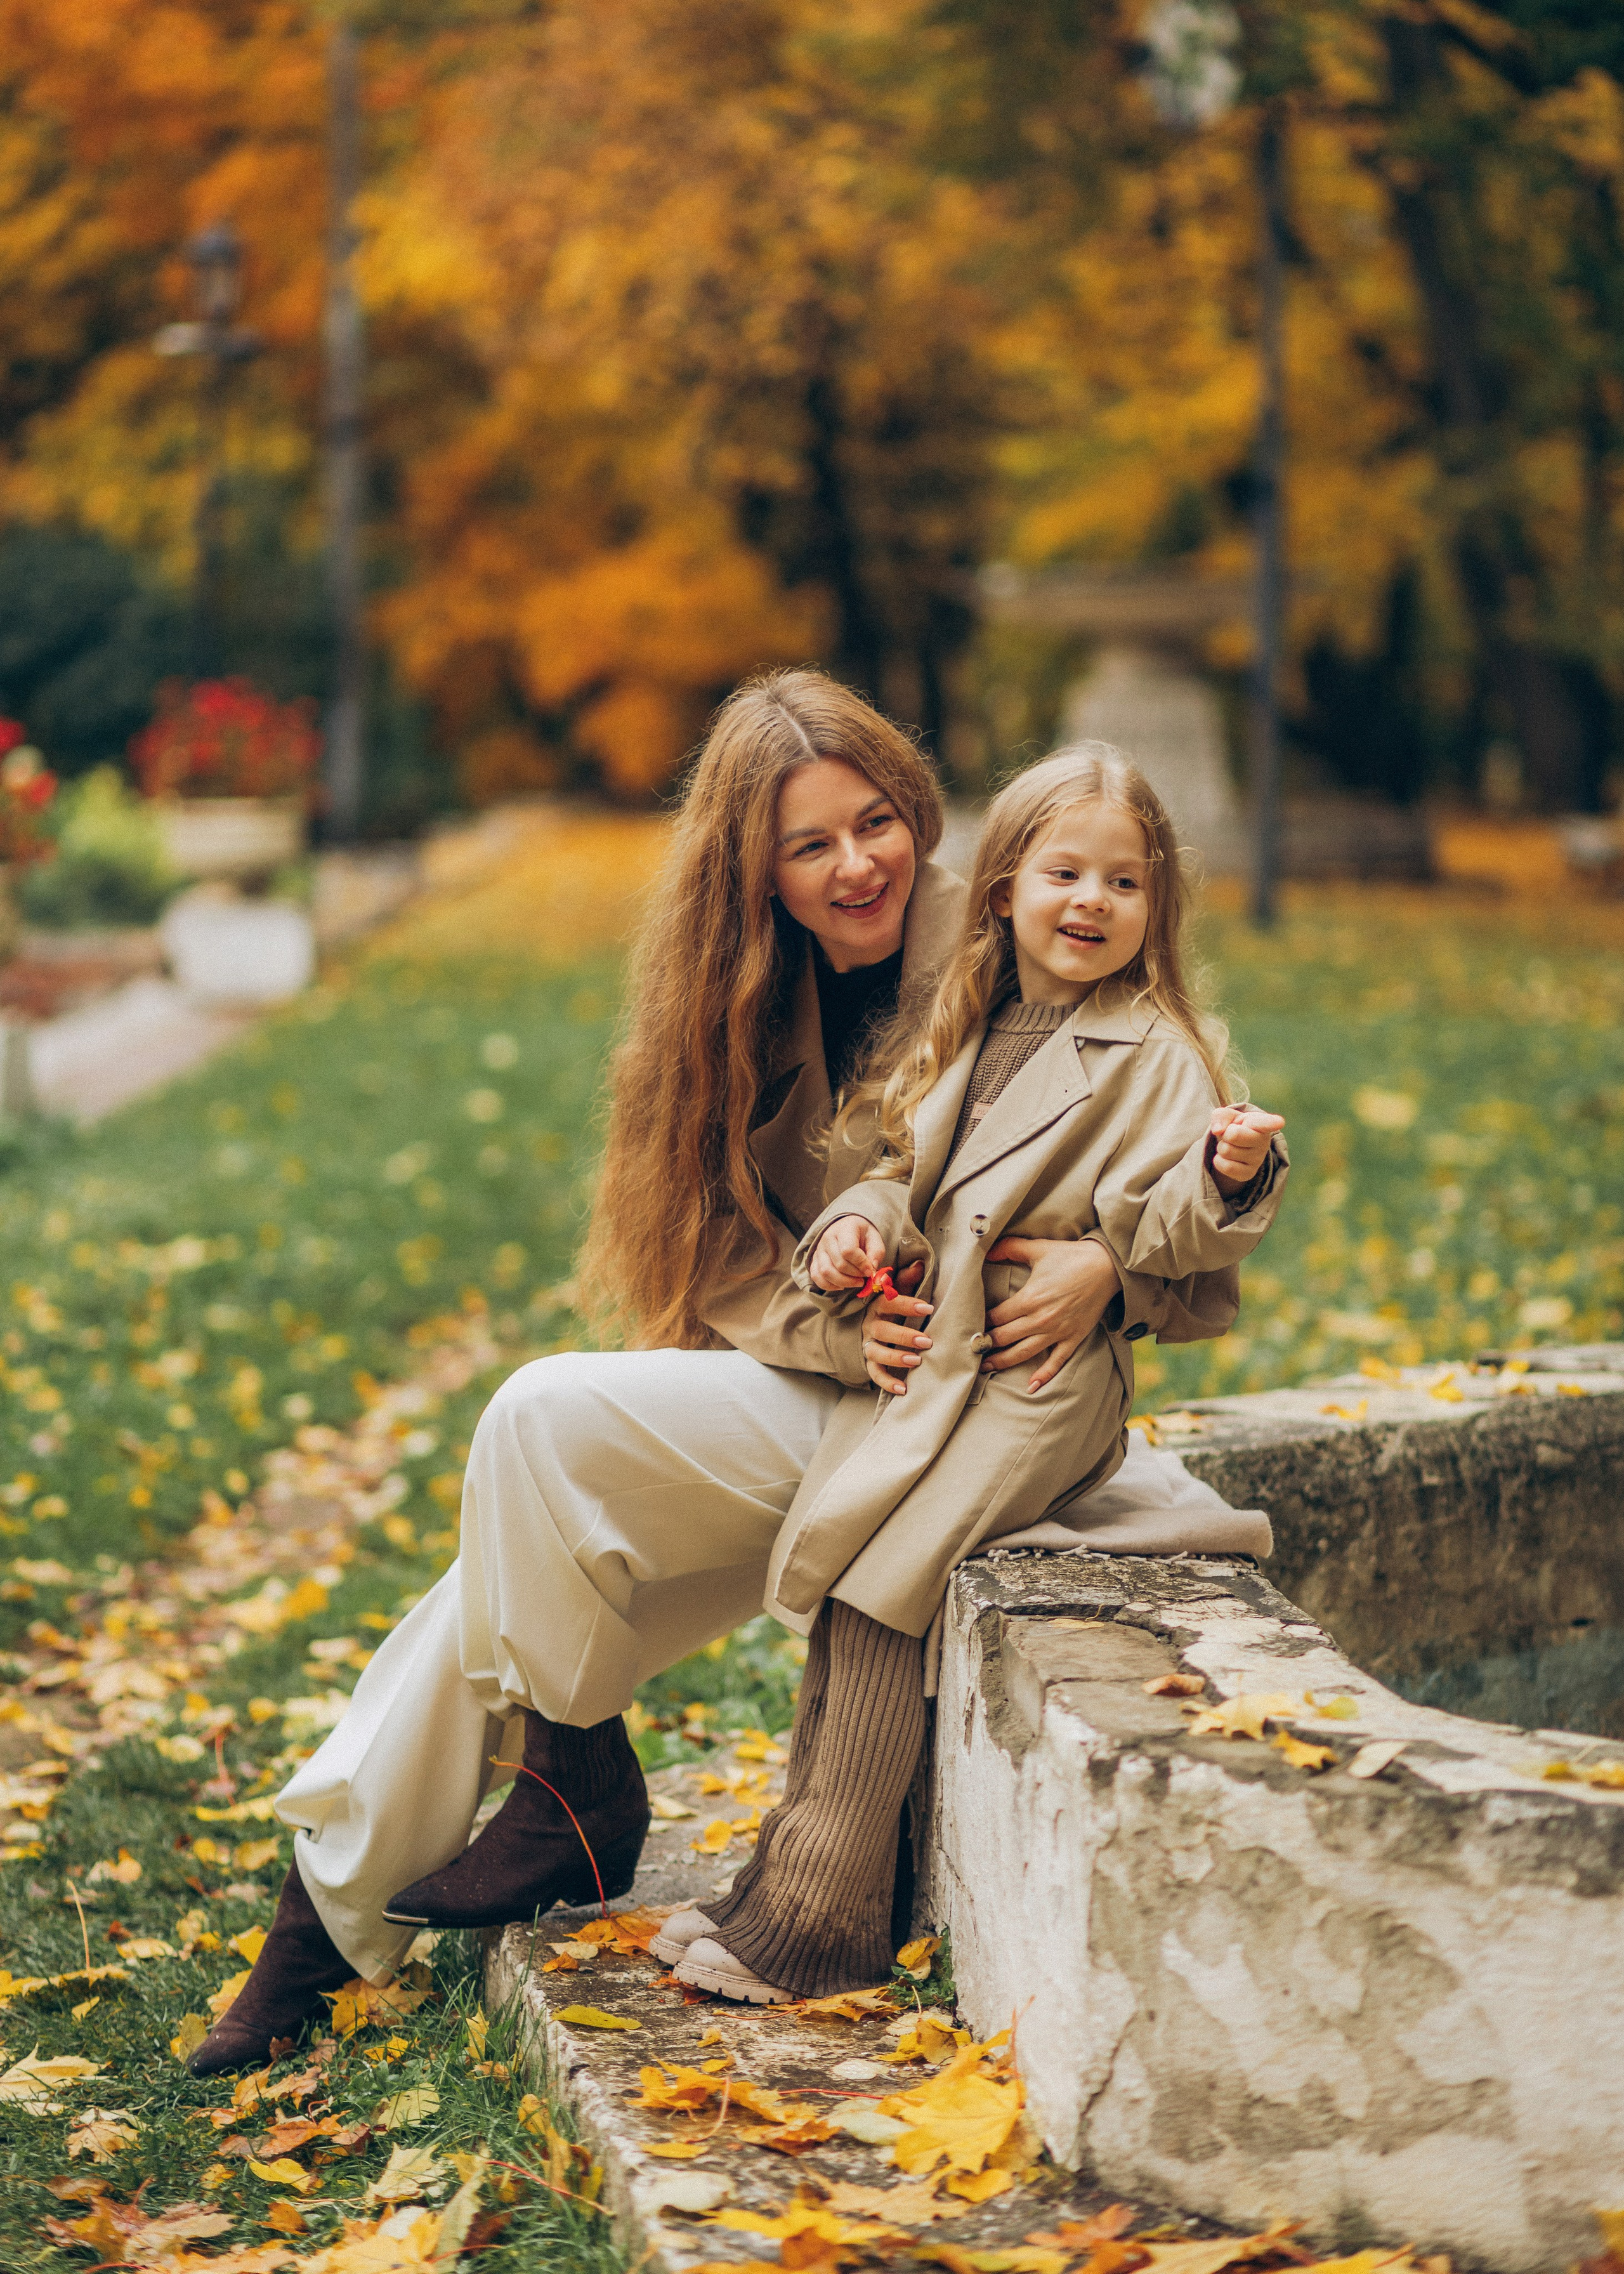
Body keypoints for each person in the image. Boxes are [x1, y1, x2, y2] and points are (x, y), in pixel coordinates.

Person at [187, 673, 1192, 2075]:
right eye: (809, 845)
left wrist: (1119, 1277)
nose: (859, 864)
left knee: (530, 1440)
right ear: (754, 872)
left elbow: (1173, 1120)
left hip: (963, 1422)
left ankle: (462, 1844)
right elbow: (721, 1266)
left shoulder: (1009, 930)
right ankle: (394, 1883)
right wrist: (833, 1323)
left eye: (878, 822)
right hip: (828, 1391)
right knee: (499, 1545)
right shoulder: (729, 1004)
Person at [662, 744, 1285, 2004]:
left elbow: (1169, 1228)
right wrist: (859, 1226)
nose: (1089, 902)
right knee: (845, 1572)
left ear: (1153, 905)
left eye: (1123, 881)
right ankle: (795, 1882)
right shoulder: (975, 1015)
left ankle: (823, 1925)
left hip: (1041, 1382)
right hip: (946, 1353)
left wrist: (1216, 1182)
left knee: (885, 1585)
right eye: (1063, 871)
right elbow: (908, 1170)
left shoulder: (1153, 1051)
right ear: (1001, 888)